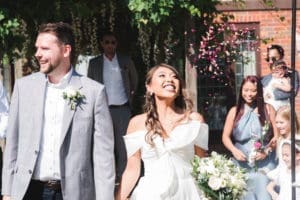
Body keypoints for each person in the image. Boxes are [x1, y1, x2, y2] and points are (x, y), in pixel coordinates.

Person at [1, 22, 115, 200]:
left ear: (66, 50)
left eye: (45, 48)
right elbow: (13, 143)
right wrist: (7, 192)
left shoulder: (93, 92)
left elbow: (103, 157)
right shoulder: (24, 88)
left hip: (74, 193)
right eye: (37, 48)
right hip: (28, 191)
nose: (38, 54)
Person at [115, 63, 209, 200]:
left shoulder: (194, 120)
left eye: (174, 77)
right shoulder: (137, 123)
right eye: (162, 75)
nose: (170, 79)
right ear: (149, 87)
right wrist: (119, 198)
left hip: (188, 193)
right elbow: (132, 169)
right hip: (150, 194)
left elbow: (202, 163)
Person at [87, 31, 138, 183]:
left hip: (122, 109)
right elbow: (89, 85)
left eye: (113, 42)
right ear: (102, 44)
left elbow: (134, 80)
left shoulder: (125, 61)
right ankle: (107, 178)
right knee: (105, 145)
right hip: (103, 109)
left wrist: (130, 98)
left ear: (116, 44)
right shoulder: (94, 63)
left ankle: (123, 177)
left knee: (123, 145)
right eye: (107, 42)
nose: (110, 45)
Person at [222, 75, 278, 200]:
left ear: (259, 91)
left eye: (253, 90)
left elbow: (277, 136)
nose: (249, 94)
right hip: (241, 161)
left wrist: (266, 151)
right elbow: (225, 137)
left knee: (264, 188)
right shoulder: (234, 111)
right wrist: (234, 150)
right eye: (246, 90)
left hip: (265, 162)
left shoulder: (268, 109)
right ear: (241, 90)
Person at [267, 105, 300, 180]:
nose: (278, 126)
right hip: (284, 182)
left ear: (291, 122)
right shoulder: (281, 140)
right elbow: (282, 165)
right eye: (276, 122)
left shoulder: (297, 140)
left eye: (281, 122)